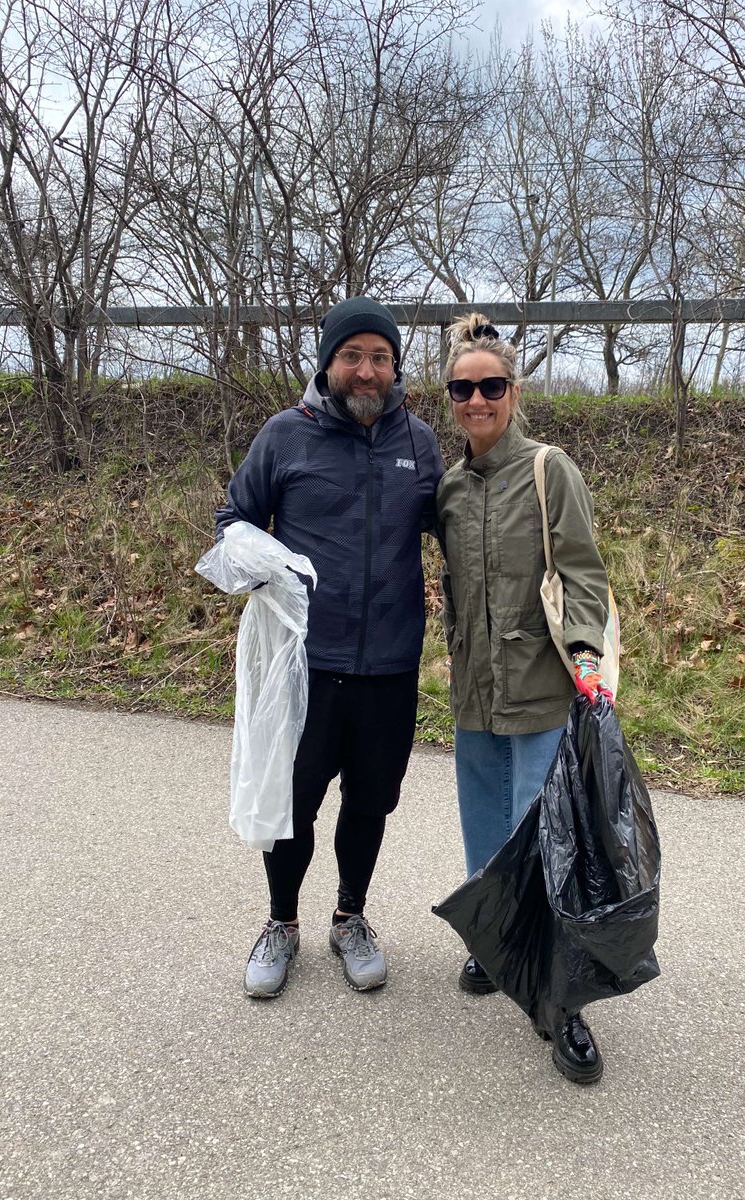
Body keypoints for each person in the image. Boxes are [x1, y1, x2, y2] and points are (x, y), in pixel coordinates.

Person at [215, 296, 444, 999]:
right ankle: (281, 923)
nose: (367, 370)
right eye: (353, 356)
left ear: (395, 366)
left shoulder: (420, 441)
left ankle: (351, 917)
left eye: (380, 357)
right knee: (294, 803)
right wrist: (266, 569)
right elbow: (234, 520)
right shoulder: (286, 435)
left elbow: (461, 530)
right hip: (306, 665)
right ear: (329, 363)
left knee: (371, 803)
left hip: (391, 665)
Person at [436, 313, 613, 1084]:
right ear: (448, 397)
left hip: (542, 689)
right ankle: (495, 947)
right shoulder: (448, 486)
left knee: (547, 846)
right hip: (475, 693)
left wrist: (583, 653)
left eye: (491, 386)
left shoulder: (549, 469)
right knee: (487, 841)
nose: (478, 400)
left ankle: (564, 1003)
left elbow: (582, 570)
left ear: (513, 390)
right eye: (462, 388)